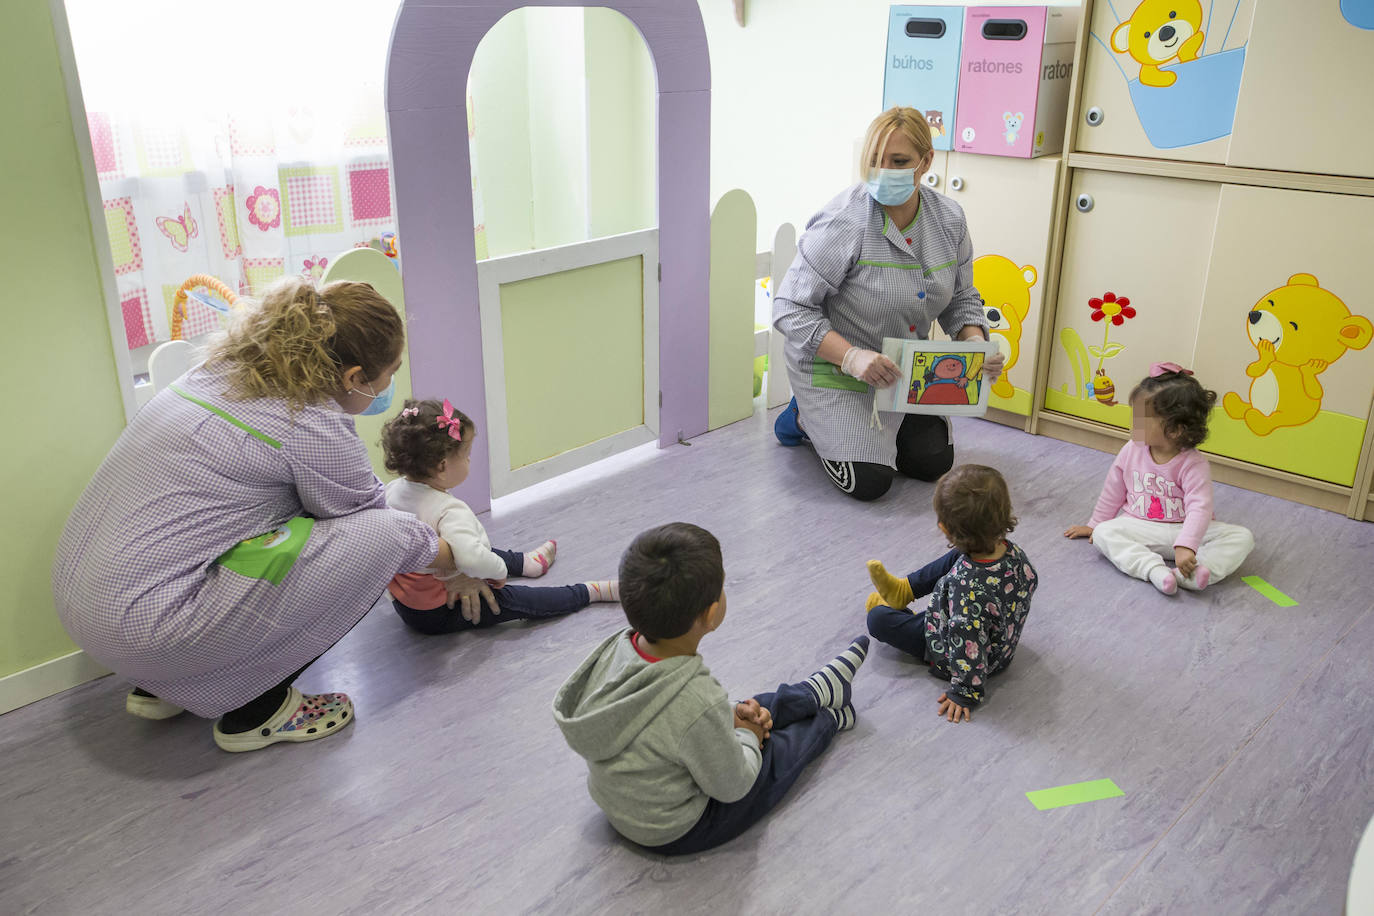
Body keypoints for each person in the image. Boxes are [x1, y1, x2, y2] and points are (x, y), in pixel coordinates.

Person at [51, 278, 485, 752]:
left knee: (273, 527)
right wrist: (460, 560)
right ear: (355, 377)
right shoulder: (310, 422)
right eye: (390, 371)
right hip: (153, 630)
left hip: (90, 609)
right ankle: (259, 708)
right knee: (384, 536)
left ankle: (166, 683)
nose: (390, 384)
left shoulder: (214, 375)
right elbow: (374, 527)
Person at [553, 522, 870, 854]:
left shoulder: (618, 649)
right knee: (773, 758)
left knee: (742, 707)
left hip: (625, 805)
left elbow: (681, 721)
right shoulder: (696, 699)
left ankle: (813, 692)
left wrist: (736, 720)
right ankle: (830, 718)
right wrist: (749, 735)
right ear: (711, 613)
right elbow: (734, 785)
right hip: (676, 828)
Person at [771, 106, 1004, 500]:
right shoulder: (842, 222)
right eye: (875, 162)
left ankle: (869, 426)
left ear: (926, 161)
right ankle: (802, 417)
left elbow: (962, 296)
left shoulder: (949, 219)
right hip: (835, 367)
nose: (885, 172)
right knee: (870, 482)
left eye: (899, 162)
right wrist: (852, 358)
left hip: (903, 373)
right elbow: (789, 308)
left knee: (932, 465)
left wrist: (973, 344)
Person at [380, 398, 619, 634]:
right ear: (442, 467)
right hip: (438, 611)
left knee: (467, 545)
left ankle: (527, 563)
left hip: (406, 603)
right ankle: (588, 592)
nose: (470, 459)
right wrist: (498, 573)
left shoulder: (391, 491)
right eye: (466, 454)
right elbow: (471, 560)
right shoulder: (449, 511)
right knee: (513, 598)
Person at [864, 465, 1036, 723]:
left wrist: (965, 692)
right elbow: (1030, 582)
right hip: (1000, 644)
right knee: (961, 553)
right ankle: (904, 589)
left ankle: (902, 606)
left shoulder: (964, 586)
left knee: (877, 619)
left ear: (945, 529)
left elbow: (968, 645)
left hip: (954, 652)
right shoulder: (1013, 551)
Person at [1064, 363, 1255, 595]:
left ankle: (1194, 572)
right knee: (1104, 533)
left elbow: (1200, 508)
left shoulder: (1194, 464)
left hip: (1184, 527)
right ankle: (1154, 570)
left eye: (1142, 419)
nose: (1133, 423)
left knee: (1242, 538)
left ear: (1175, 430)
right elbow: (1114, 489)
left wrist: (1187, 545)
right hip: (1142, 526)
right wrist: (1095, 524)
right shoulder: (1132, 449)